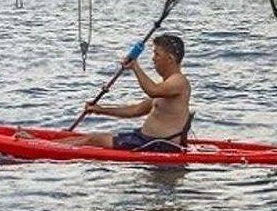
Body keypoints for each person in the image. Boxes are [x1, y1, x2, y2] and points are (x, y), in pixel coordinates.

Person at [37, 33, 192, 152]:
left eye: (157, 54)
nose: (153, 59)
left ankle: (40, 147)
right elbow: (135, 110)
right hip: (145, 140)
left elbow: (152, 90)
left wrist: (135, 67)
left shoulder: (179, 82)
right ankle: (44, 144)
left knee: (92, 139)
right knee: (90, 137)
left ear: (170, 59)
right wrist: (99, 110)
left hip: (158, 146)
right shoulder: (167, 87)